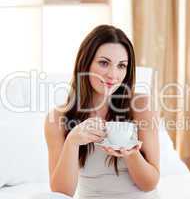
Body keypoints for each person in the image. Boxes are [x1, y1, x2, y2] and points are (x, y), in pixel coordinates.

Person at [44, 25, 160, 199]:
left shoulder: (141, 106)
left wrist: (131, 153)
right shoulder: (58, 118)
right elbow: (62, 193)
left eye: (121, 65)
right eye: (104, 63)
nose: (113, 75)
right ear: (86, 63)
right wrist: (72, 142)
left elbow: (150, 183)